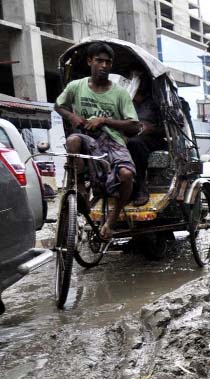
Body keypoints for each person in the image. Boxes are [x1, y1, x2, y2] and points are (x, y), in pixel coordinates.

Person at [54, 42, 140, 240]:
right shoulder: (76, 86)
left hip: (112, 141)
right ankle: (81, 189)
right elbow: (59, 106)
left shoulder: (119, 93)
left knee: (126, 174)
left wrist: (104, 120)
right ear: (89, 61)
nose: (103, 65)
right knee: (73, 140)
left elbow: (134, 125)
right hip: (85, 138)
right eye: (99, 61)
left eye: (107, 62)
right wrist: (72, 117)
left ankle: (111, 220)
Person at [127, 77, 167, 206]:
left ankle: (141, 187)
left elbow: (169, 128)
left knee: (135, 143)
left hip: (153, 140)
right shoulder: (125, 101)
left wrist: (151, 129)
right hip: (128, 137)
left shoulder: (156, 103)